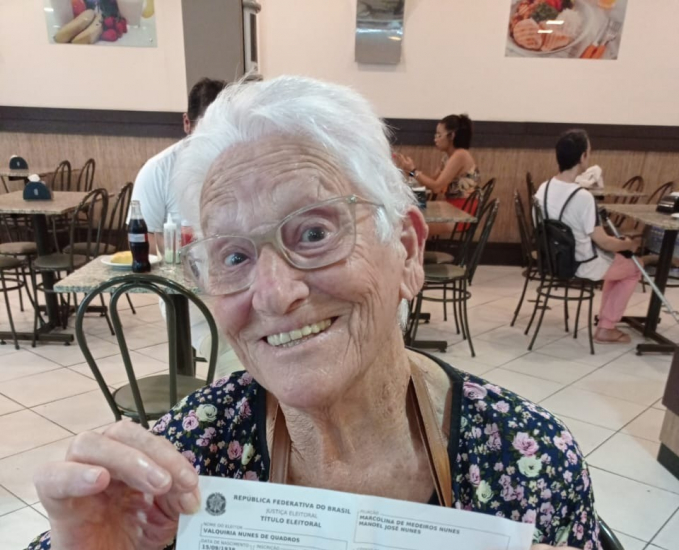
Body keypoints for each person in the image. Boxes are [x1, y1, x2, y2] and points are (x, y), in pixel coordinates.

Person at [27, 77, 600, 550]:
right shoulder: (188, 459)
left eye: (314, 233)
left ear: (406, 251)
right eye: (234, 255)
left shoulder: (528, 461)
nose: (274, 294)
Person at [128, 77, 241, 378]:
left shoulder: (244, 165)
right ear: (187, 123)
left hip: (242, 283)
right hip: (189, 298)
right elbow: (144, 237)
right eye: (205, 130)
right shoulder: (159, 170)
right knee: (235, 359)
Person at [535, 130, 641, 344]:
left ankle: (606, 321)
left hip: (552, 259)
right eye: (589, 152)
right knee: (634, 268)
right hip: (580, 265)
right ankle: (606, 327)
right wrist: (628, 244)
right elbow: (604, 242)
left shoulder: (543, 188)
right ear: (583, 157)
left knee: (617, 263)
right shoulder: (582, 197)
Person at [394, 114, 480, 208]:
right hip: (452, 205)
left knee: (414, 214)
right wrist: (410, 172)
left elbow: (436, 188)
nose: (435, 139)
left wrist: (413, 171)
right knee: (415, 212)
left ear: (451, 136)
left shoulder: (460, 155)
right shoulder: (447, 157)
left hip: (462, 208)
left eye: (439, 135)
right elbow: (431, 183)